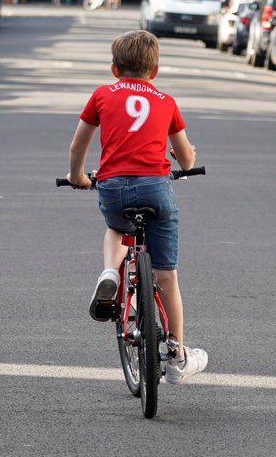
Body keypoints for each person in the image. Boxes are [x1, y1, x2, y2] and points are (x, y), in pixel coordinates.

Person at [67, 30, 208, 383]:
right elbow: (187, 158)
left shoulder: (101, 95)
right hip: (155, 189)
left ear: (115, 69)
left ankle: (110, 273)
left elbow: (76, 147)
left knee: (116, 227)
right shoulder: (166, 100)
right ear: (154, 70)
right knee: (167, 275)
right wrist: (184, 159)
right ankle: (177, 356)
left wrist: (79, 177)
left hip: (113, 187)